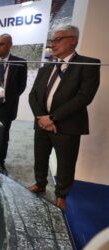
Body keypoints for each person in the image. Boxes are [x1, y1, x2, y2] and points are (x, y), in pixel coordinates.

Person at [28, 25, 100, 211]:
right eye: (52, 40)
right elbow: (33, 95)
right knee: (40, 156)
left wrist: (53, 118)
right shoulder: (46, 68)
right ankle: (40, 183)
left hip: (67, 125)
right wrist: (41, 117)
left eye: (58, 39)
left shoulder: (88, 64)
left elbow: (84, 97)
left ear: (73, 40)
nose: (53, 44)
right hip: (42, 124)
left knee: (66, 162)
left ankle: (61, 195)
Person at [0, 34, 27, 175]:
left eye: (1, 44)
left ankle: (0, 162)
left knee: (3, 136)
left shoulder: (20, 62)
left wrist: (8, 98)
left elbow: (21, 86)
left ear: (9, 45)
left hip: (7, 106)